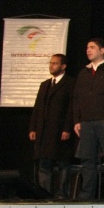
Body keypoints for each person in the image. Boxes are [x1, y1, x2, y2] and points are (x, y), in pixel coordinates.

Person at [72, 39, 104, 200]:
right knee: (88, 160)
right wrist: (77, 120)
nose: (88, 50)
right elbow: (77, 99)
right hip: (86, 122)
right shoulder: (83, 73)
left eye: (92, 47)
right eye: (87, 47)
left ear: (102, 50)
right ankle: (87, 194)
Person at [28, 54, 74, 196]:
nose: (51, 66)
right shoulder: (45, 85)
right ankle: (44, 194)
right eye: (50, 63)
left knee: (62, 164)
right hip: (44, 131)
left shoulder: (70, 83)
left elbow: (72, 108)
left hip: (60, 131)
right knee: (44, 164)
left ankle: (62, 194)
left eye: (55, 63)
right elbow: (37, 108)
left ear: (63, 66)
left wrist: (67, 128)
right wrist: (33, 128)